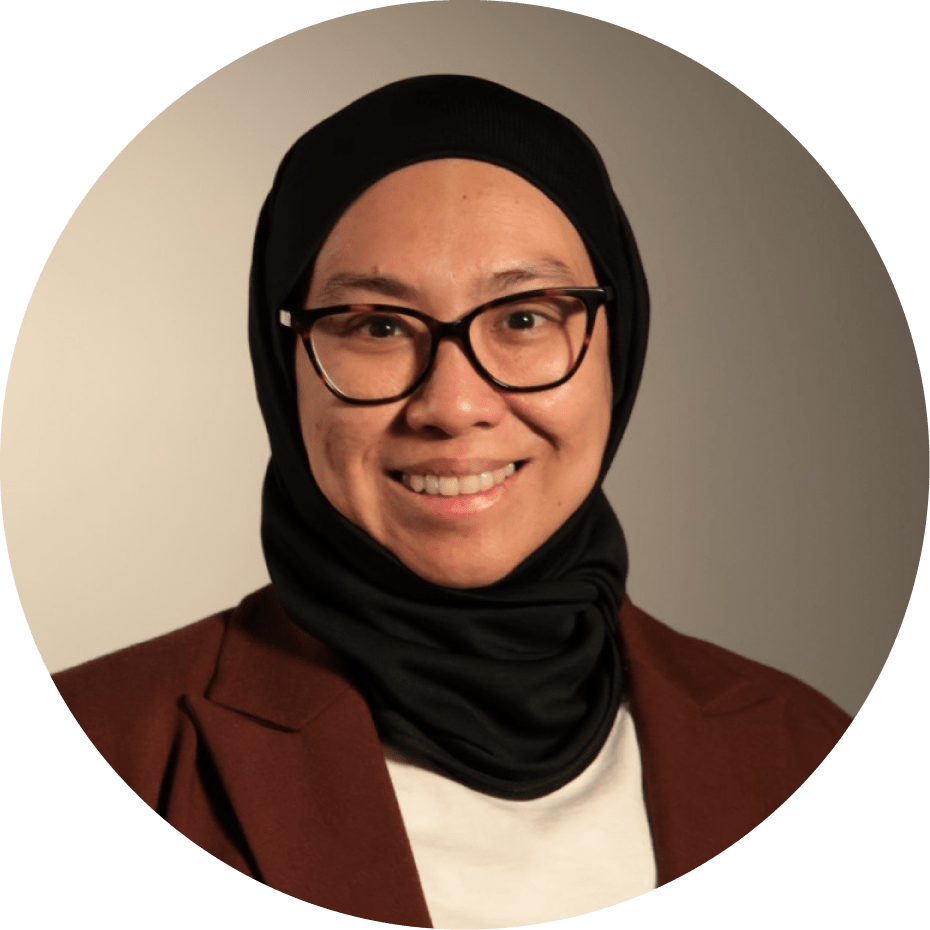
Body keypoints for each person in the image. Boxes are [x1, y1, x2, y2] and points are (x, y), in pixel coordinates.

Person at [53, 75, 851, 929]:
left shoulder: (805, 754)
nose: (453, 404)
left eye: (524, 318)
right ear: (283, 370)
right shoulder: (91, 759)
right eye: (377, 325)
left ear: (619, 348)